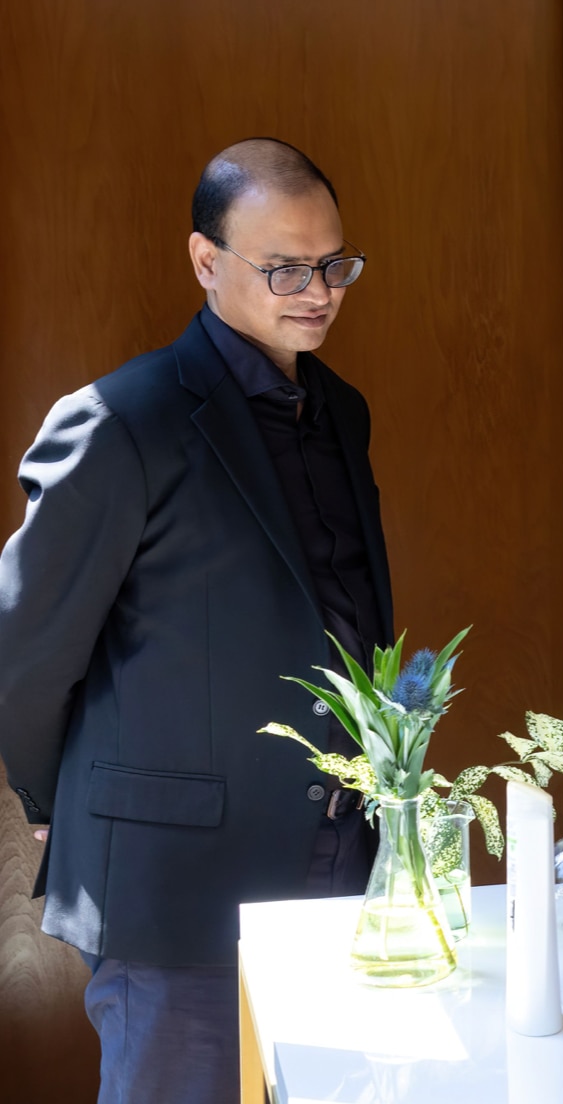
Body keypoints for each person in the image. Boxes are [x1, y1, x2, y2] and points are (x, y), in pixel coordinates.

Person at [0, 139, 389, 1104]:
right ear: (206, 261)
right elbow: (24, 650)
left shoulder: (341, 411)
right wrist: (56, 805)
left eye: (335, 265)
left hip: (336, 873)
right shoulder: (120, 420)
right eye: (285, 268)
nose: (319, 292)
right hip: (175, 889)